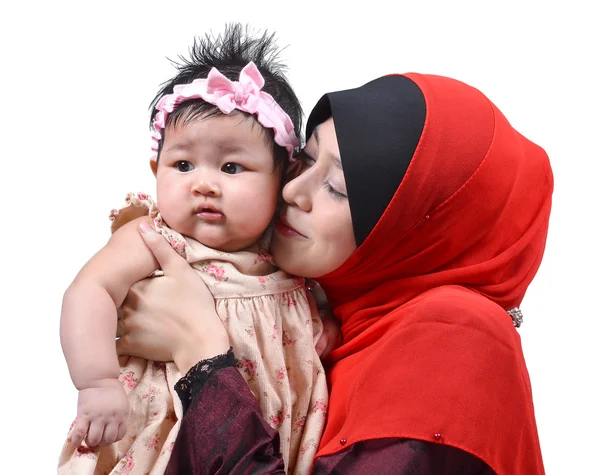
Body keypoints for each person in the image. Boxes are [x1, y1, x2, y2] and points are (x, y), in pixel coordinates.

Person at [116, 71, 552, 474]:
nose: (291, 190)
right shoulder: (329, 312)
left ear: (416, 223)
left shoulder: (453, 340)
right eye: (306, 161)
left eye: (337, 188)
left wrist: (200, 352)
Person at [58, 24, 329, 475]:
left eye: (231, 166)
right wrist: (97, 382)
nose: (203, 183)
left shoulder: (287, 249)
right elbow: (89, 292)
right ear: (155, 169)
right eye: (182, 165)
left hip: (265, 440)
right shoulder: (156, 238)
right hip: (168, 429)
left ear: (284, 177)